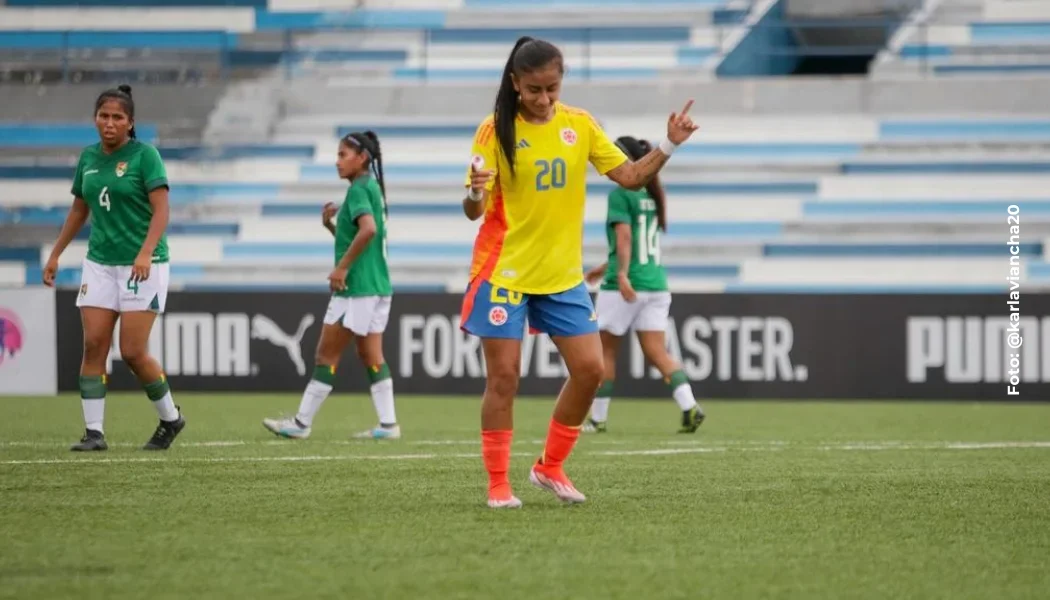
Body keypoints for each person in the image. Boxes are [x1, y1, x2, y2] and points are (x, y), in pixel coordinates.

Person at [461, 36, 698, 508]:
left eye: (552, 87)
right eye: (533, 90)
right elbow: (473, 209)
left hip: (562, 276)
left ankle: (549, 467)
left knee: (590, 371)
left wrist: (670, 142)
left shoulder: (580, 125)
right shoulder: (494, 130)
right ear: (515, 84)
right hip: (504, 272)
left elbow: (630, 177)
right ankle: (497, 485)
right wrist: (475, 192)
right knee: (505, 378)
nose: (544, 99)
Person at [42, 84, 185, 452]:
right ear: (95, 119)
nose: (109, 123)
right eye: (103, 116)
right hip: (100, 264)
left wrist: (146, 251)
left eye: (117, 117)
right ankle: (94, 433)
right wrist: (56, 253)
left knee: (134, 351)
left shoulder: (145, 156)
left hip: (144, 265)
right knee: (93, 345)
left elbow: (162, 210)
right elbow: (79, 209)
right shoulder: (88, 158)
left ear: (130, 122)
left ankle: (171, 418)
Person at [263, 131, 400, 441]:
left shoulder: (357, 191)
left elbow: (368, 230)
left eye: (343, 155)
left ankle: (300, 423)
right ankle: (389, 424)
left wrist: (341, 268)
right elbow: (363, 237)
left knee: (326, 356)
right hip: (378, 287)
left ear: (362, 158)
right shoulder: (372, 188)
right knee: (371, 356)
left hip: (357, 289)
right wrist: (331, 227)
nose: (337, 161)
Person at [582, 135, 705, 435]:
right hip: (656, 284)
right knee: (657, 352)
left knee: (606, 352)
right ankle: (690, 406)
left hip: (626, 286)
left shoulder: (620, 194)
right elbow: (638, 244)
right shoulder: (651, 193)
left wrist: (620, 274)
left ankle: (598, 419)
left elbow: (624, 238)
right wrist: (606, 266)